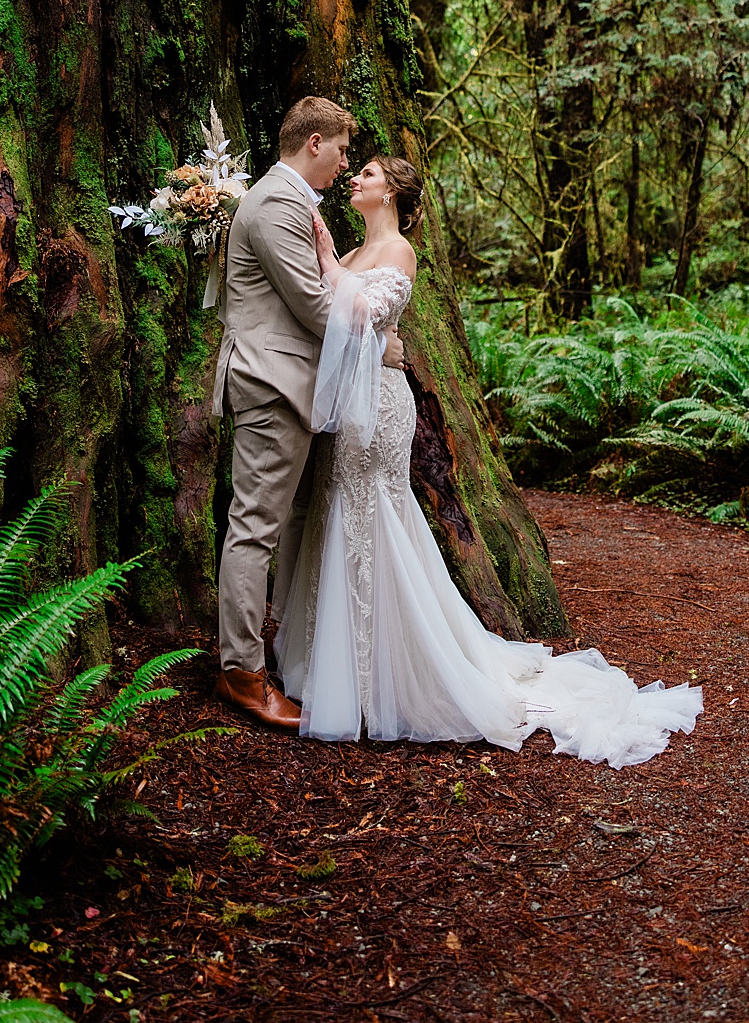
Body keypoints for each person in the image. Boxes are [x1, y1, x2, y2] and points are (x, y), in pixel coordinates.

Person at [271, 153, 703, 767]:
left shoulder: (397, 251)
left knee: (375, 518)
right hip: (350, 405)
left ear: (391, 193)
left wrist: (327, 269)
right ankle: (342, 664)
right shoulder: (347, 254)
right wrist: (329, 270)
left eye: (367, 173)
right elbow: (332, 317)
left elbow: (364, 313)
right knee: (342, 512)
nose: (354, 180)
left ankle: (386, 675)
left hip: (382, 410)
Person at [210, 95, 355, 730]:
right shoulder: (274, 203)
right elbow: (312, 305)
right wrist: (378, 344)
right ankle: (242, 672)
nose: (346, 166)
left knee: (282, 521)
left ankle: (273, 651)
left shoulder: (293, 204)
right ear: (314, 143)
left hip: (290, 385)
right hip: (271, 384)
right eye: (342, 150)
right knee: (255, 528)